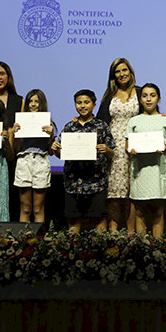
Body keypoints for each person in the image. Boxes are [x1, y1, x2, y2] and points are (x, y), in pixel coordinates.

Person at [51, 90, 115, 233]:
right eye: (79, 103)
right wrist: (55, 149)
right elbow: (61, 154)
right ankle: (74, 246)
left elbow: (112, 153)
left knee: (99, 219)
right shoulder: (69, 126)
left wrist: (107, 150)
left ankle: (101, 245)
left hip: (96, 182)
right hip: (73, 183)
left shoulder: (101, 126)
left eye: (86, 102)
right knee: (74, 220)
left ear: (94, 105)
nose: (83, 106)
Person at [97, 58, 143, 231]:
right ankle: (113, 233)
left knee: (132, 193)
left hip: (135, 147)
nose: (122, 74)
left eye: (124, 70)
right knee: (114, 193)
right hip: (114, 150)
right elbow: (99, 122)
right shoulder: (109, 97)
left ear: (130, 72)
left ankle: (131, 234)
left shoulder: (140, 92)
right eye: (117, 71)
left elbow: (150, 113)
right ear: (113, 76)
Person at [126, 83, 166, 238]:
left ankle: (157, 246)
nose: (148, 99)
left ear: (158, 99)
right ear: (140, 99)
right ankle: (142, 246)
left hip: (158, 171)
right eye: (145, 96)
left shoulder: (165, 120)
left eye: (152, 95)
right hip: (139, 171)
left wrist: (164, 146)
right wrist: (131, 149)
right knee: (139, 211)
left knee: (158, 212)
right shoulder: (133, 121)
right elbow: (127, 146)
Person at [12, 89, 56, 224]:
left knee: (38, 208)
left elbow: (51, 151)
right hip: (23, 160)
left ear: (42, 103)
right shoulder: (20, 122)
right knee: (25, 208)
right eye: (30, 101)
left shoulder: (48, 123)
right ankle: (24, 236)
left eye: (36, 101)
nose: (33, 104)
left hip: (41, 161)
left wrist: (51, 135)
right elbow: (16, 148)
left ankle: (39, 236)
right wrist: (15, 134)